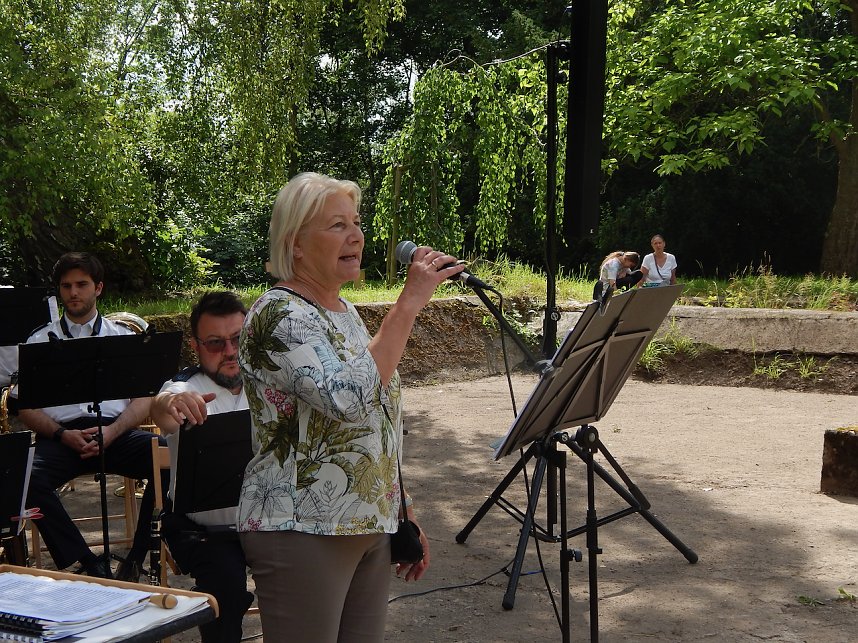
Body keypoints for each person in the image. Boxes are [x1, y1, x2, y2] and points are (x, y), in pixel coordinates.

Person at [237, 172, 454, 641]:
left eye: (356, 222)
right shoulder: (279, 314)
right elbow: (347, 400)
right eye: (337, 225)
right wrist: (408, 304)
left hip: (367, 522)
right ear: (295, 244)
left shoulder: (347, 313)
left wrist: (402, 509)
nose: (355, 235)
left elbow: (380, 419)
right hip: (302, 526)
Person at [17, 252, 160, 580]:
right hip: (61, 437)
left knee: (168, 459)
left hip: (115, 433)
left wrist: (113, 431)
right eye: (66, 286)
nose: (73, 292)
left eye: (81, 284)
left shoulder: (122, 337)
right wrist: (62, 434)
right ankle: (86, 561)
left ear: (98, 288)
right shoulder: (38, 340)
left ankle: (136, 558)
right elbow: (26, 408)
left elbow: (144, 400)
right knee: (23, 476)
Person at [149, 291, 254, 643]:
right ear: (196, 346)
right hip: (205, 531)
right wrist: (173, 401)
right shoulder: (187, 385)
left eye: (238, 338)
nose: (230, 351)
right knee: (225, 593)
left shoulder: (271, 381)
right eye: (215, 343)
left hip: (270, 524)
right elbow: (162, 407)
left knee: (308, 582)